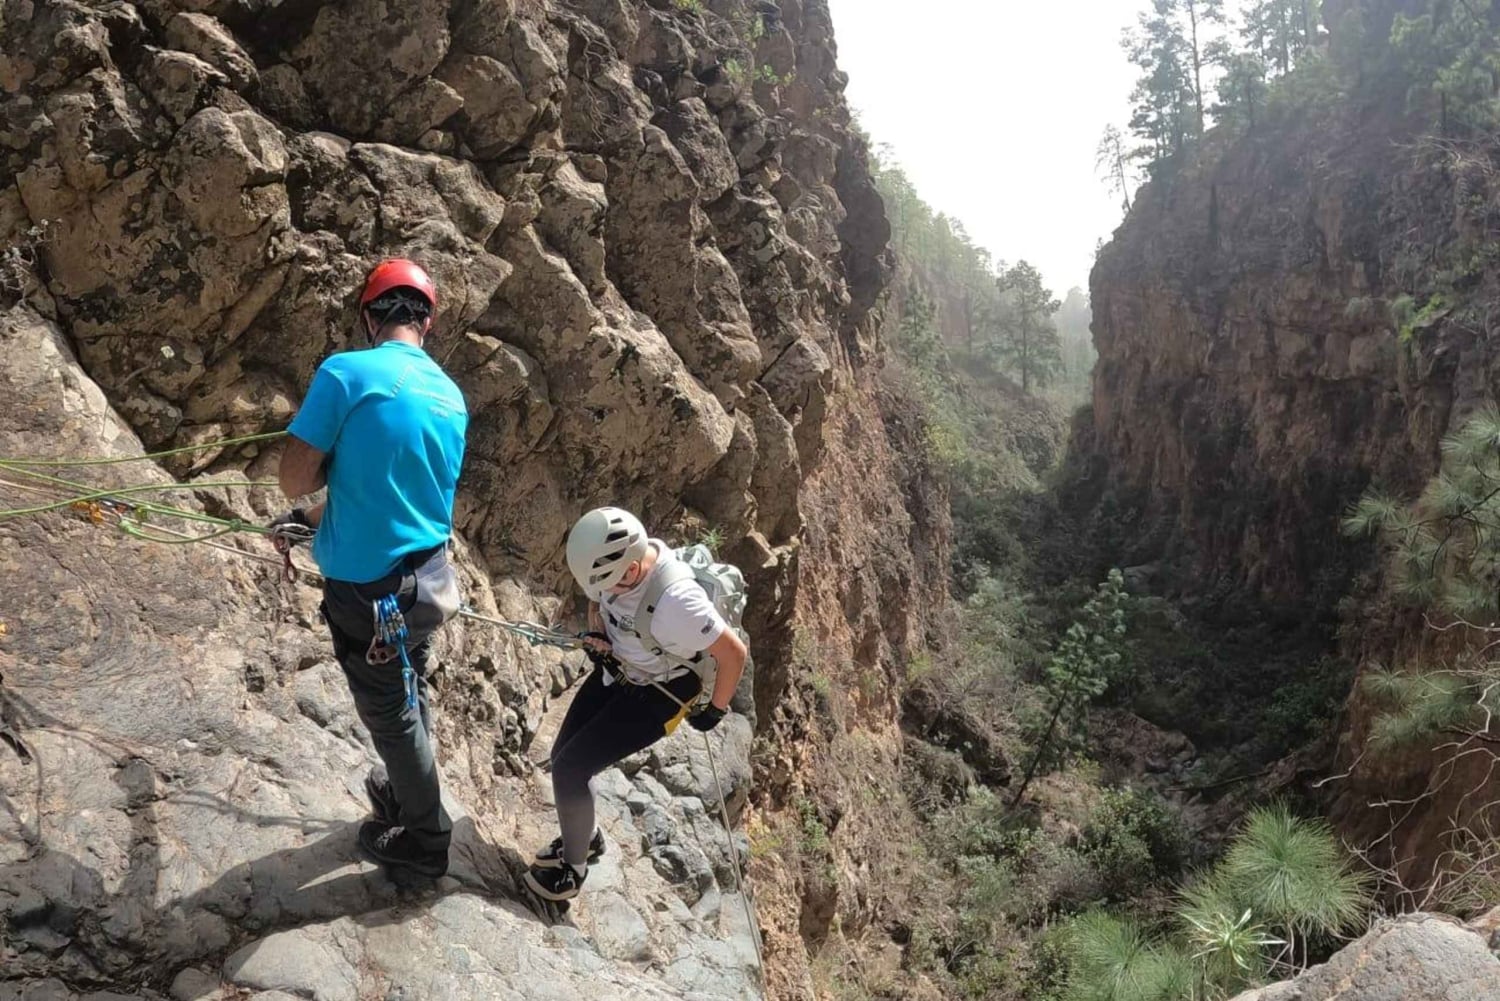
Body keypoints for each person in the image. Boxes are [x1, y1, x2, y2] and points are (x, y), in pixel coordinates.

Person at [270, 258, 468, 878]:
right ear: (427, 321)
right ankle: (410, 790)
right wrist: (320, 515)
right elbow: (398, 491)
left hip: (370, 591)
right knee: (410, 687)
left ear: (368, 315)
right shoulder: (452, 398)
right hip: (428, 579)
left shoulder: (346, 373)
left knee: (390, 709)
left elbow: (293, 476)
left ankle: (426, 840)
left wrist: (312, 495)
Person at [525, 507, 749, 901]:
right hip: (620, 670)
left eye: (610, 585)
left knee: (572, 768)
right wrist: (599, 633)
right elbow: (599, 600)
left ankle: (571, 872)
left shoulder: (679, 601)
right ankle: (585, 836)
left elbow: (733, 653)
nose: (602, 594)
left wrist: (716, 709)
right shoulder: (617, 569)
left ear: (631, 571)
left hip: (657, 697)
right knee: (563, 757)